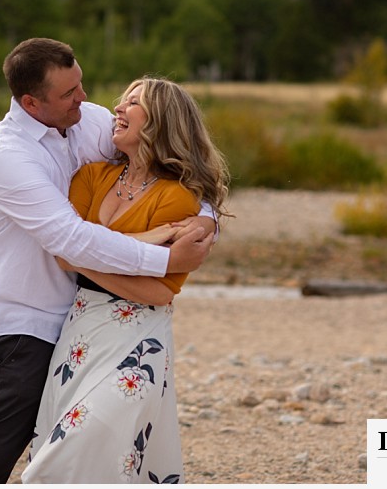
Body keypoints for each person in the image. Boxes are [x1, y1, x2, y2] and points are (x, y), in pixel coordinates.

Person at [0, 39, 217, 484]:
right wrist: (164, 257)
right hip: (23, 323)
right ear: (31, 102)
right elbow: (69, 239)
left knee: (80, 445)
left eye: (81, 84)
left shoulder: (87, 122)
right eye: (70, 93)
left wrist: (205, 222)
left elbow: (167, 161)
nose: (86, 99)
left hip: (82, 322)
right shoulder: (9, 156)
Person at [22, 77, 231, 484]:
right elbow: (67, 251)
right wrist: (144, 245)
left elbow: (158, 291)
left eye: (132, 103)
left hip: (138, 340)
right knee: (76, 446)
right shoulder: (91, 177)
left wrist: (82, 261)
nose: (118, 109)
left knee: (90, 441)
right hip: (80, 336)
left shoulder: (179, 199)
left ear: (159, 121)